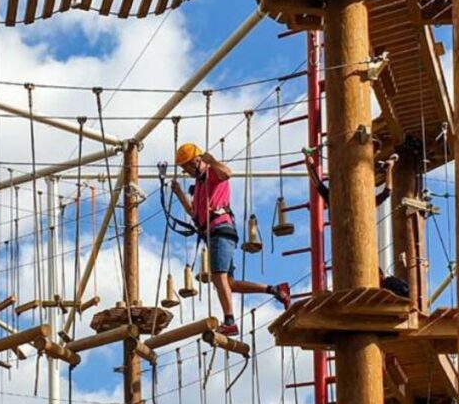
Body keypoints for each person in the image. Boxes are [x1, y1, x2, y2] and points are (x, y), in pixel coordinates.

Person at [171, 143, 291, 336]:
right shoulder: (200, 186)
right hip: (213, 233)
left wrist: (211, 161)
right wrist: (179, 194)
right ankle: (276, 289)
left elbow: (227, 173)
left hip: (220, 229)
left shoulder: (212, 173)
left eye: (187, 167)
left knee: (218, 277)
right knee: (229, 283)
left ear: (196, 161)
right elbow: (193, 212)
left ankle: (229, 322)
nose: (186, 173)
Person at [304, 149, 411, 296]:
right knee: (391, 285)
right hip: (360, 249)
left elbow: (317, 184)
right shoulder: (360, 201)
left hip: (353, 249)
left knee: (383, 282)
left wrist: (309, 164)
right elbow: (388, 191)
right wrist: (389, 169)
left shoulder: (338, 199)